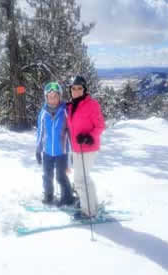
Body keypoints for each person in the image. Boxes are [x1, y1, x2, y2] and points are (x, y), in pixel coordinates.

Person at [66, 76, 105, 219]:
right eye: (73, 88)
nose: (76, 91)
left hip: (88, 148)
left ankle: (88, 211)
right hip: (76, 149)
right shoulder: (70, 106)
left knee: (79, 180)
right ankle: (92, 205)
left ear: (84, 89)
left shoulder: (92, 104)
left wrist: (89, 136)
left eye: (79, 88)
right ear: (70, 90)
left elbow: (100, 126)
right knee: (84, 178)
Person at [36, 82, 74, 206]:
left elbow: (71, 132)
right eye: (50, 97)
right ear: (46, 98)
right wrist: (38, 149)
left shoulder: (65, 112)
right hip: (47, 152)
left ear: (60, 96)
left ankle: (67, 197)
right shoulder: (43, 113)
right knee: (47, 176)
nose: (52, 99)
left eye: (55, 96)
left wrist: (73, 151)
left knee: (61, 176)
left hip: (61, 152)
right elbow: (40, 132)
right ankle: (48, 195)